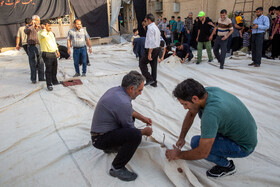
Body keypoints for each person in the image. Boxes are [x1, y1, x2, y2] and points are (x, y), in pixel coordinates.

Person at [165, 78, 257, 178]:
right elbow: (191, 113)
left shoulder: (211, 114)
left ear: (195, 99)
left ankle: (227, 166)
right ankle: (222, 151)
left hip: (244, 146)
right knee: (202, 129)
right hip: (244, 134)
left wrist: (178, 154)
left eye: (185, 104)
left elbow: (202, 153)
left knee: (196, 143)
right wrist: (182, 137)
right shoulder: (208, 92)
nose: (184, 108)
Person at [91, 71, 153, 181]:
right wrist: (144, 131)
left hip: (100, 134)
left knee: (131, 122)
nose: (140, 93)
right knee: (135, 136)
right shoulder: (123, 102)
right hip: (99, 139)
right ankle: (117, 167)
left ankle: (110, 147)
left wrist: (143, 118)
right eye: (140, 90)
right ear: (131, 89)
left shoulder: (117, 91)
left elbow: (128, 111)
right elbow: (131, 130)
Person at [38, 20, 60, 91]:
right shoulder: (41, 33)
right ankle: (49, 84)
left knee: (54, 68)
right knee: (49, 69)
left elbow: (54, 42)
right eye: (48, 25)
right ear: (44, 26)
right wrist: (44, 29)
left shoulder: (51, 33)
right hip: (46, 53)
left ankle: (54, 81)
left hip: (53, 52)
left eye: (50, 26)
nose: (50, 27)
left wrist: (57, 50)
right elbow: (44, 35)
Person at [139, 14, 161, 88]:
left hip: (152, 49)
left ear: (149, 20)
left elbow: (151, 41)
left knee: (142, 63)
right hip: (157, 48)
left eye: (146, 20)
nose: (146, 22)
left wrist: (149, 53)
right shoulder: (156, 27)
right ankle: (154, 82)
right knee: (153, 66)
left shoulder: (151, 28)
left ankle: (149, 79)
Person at [24, 15, 45, 84]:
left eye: (39, 20)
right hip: (31, 46)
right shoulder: (29, 27)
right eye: (36, 20)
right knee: (33, 62)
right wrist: (33, 25)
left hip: (39, 46)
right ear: (33, 21)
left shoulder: (40, 28)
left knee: (41, 62)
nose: (38, 22)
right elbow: (26, 31)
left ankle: (41, 77)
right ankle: (33, 79)